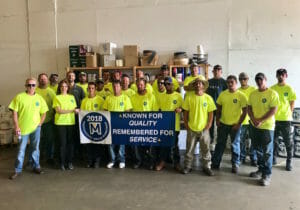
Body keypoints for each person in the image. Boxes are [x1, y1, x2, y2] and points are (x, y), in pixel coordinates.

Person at [9, 78, 48, 179]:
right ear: (25, 86)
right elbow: (14, 113)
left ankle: (36, 166)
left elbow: (44, 112)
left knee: (35, 148)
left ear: (36, 86)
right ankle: (17, 170)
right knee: (21, 150)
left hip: (36, 129)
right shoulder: (19, 97)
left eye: (33, 85)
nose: (31, 87)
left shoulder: (39, 98)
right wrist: (16, 126)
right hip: (23, 129)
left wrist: (40, 123)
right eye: (29, 85)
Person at [211, 75, 247, 174]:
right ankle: (215, 163)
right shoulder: (223, 94)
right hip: (223, 124)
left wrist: (239, 124)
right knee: (220, 144)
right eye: (228, 82)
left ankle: (235, 164)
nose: (230, 84)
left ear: (236, 83)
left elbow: (245, 112)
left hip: (235, 125)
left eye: (232, 82)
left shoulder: (241, 96)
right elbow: (218, 108)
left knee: (235, 145)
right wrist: (217, 120)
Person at [248, 73, 279, 186]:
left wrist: (260, 120)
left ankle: (267, 175)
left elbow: (273, 110)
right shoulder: (253, 94)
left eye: (261, 79)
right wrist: (253, 119)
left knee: (267, 152)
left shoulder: (272, 93)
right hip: (254, 126)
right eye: (257, 80)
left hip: (267, 127)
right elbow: (249, 108)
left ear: (265, 80)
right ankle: (261, 170)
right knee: (258, 150)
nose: (259, 81)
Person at [182, 76, 216, 176]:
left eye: (200, 83)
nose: (198, 85)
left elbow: (211, 113)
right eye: (196, 83)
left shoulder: (208, 98)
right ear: (194, 86)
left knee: (205, 149)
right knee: (189, 149)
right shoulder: (189, 98)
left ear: (203, 85)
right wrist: (186, 124)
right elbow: (185, 113)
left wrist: (209, 124)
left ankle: (207, 167)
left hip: (204, 129)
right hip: (192, 128)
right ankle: (188, 166)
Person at [103, 80, 132, 169]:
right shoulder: (108, 98)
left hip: (122, 124)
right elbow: (105, 110)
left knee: (121, 144)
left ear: (120, 87)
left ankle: (121, 160)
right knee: (111, 144)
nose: (116, 88)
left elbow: (128, 111)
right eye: (114, 87)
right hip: (111, 124)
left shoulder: (125, 98)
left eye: (117, 86)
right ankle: (112, 160)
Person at [271, 68, 296, 171]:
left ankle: (289, 162)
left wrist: (288, 113)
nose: (281, 76)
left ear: (286, 76)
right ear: (276, 76)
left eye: (283, 74)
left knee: (288, 142)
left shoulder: (289, 89)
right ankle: (273, 159)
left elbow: (292, 102)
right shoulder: (272, 88)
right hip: (274, 120)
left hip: (286, 120)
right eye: (279, 74)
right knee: (273, 141)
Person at [155, 77, 183, 171]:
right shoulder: (161, 96)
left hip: (174, 125)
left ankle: (177, 163)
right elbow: (158, 110)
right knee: (164, 145)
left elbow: (183, 107)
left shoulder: (178, 96)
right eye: (165, 84)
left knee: (174, 145)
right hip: (164, 125)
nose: (167, 86)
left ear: (173, 85)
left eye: (169, 84)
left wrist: (180, 109)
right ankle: (162, 162)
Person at [130, 78, 159, 169]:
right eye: (138, 85)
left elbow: (155, 111)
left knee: (150, 145)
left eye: (141, 84)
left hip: (149, 125)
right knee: (136, 145)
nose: (139, 86)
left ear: (145, 85)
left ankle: (150, 162)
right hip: (136, 125)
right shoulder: (133, 97)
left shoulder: (151, 96)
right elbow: (130, 111)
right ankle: (138, 161)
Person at [53, 80, 79, 171]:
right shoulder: (57, 97)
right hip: (61, 123)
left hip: (71, 122)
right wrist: (71, 111)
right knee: (62, 144)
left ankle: (70, 162)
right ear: (59, 88)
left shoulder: (71, 97)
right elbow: (58, 111)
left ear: (68, 88)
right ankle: (62, 163)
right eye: (62, 86)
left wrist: (76, 111)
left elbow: (75, 109)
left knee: (70, 144)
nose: (64, 88)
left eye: (65, 86)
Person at [80, 82, 105, 168]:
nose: (91, 90)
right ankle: (89, 160)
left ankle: (97, 161)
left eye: (92, 88)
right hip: (87, 125)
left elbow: (104, 113)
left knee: (97, 144)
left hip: (98, 125)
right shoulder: (84, 100)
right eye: (89, 88)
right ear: (87, 89)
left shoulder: (100, 100)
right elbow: (82, 113)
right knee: (88, 144)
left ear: (95, 89)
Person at [36, 73, 56, 164]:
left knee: (50, 139)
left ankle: (50, 157)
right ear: (38, 80)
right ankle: (38, 156)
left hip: (48, 120)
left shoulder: (51, 92)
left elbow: (55, 105)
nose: (43, 80)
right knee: (38, 140)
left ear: (47, 80)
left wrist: (53, 117)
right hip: (36, 121)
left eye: (44, 79)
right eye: (41, 79)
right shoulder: (34, 91)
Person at [206, 65, 227, 151]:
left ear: (221, 72)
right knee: (210, 126)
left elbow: (227, 95)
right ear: (213, 72)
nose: (217, 71)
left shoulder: (224, 82)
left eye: (219, 70)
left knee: (220, 125)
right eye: (215, 70)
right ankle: (211, 142)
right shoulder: (208, 82)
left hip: (220, 107)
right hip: (210, 108)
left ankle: (219, 143)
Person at [238, 72, 257, 166]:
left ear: (248, 79)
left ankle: (253, 158)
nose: (242, 81)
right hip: (242, 120)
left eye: (244, 79)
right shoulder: (237, 91)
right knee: (241, 140)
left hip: (252, 119)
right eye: (241, 79)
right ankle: (242, 157)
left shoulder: (254, 90)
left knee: (254, 140)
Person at [66, 71, 85, 159]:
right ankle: (70, 154)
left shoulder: (79, 88)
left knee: (77, 134)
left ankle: (78, 153)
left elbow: (84, 101)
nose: (70, 77)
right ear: (67, 77)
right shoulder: (63, 87)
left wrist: (80, 110)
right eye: (69, 76)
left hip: (77, 115)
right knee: (68, 136)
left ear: (75, 77)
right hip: (65, 116)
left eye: (72, 76)